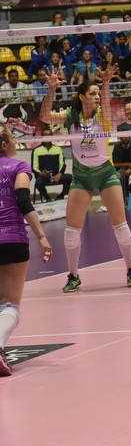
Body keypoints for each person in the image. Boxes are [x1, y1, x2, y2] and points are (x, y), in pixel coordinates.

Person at [39, 59, 131, 292]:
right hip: (81, 176)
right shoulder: (71, 116)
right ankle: (73, 276)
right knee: (71, 231)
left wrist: (105, 83)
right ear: (82, 96)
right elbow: (45, 116)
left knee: (120, 225)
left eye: (98, 94)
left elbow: (106, 105)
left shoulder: (103, 115)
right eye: (92, 93)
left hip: (106, 174)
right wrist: (51, 89)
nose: (96, 97)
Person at [0, 124, 53, 376]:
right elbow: (23, 200)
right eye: (13, 138)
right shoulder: (19, 167)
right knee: (10, 305)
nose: (16, 142)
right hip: (12, 239)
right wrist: (42, 236)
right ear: (4, 144)